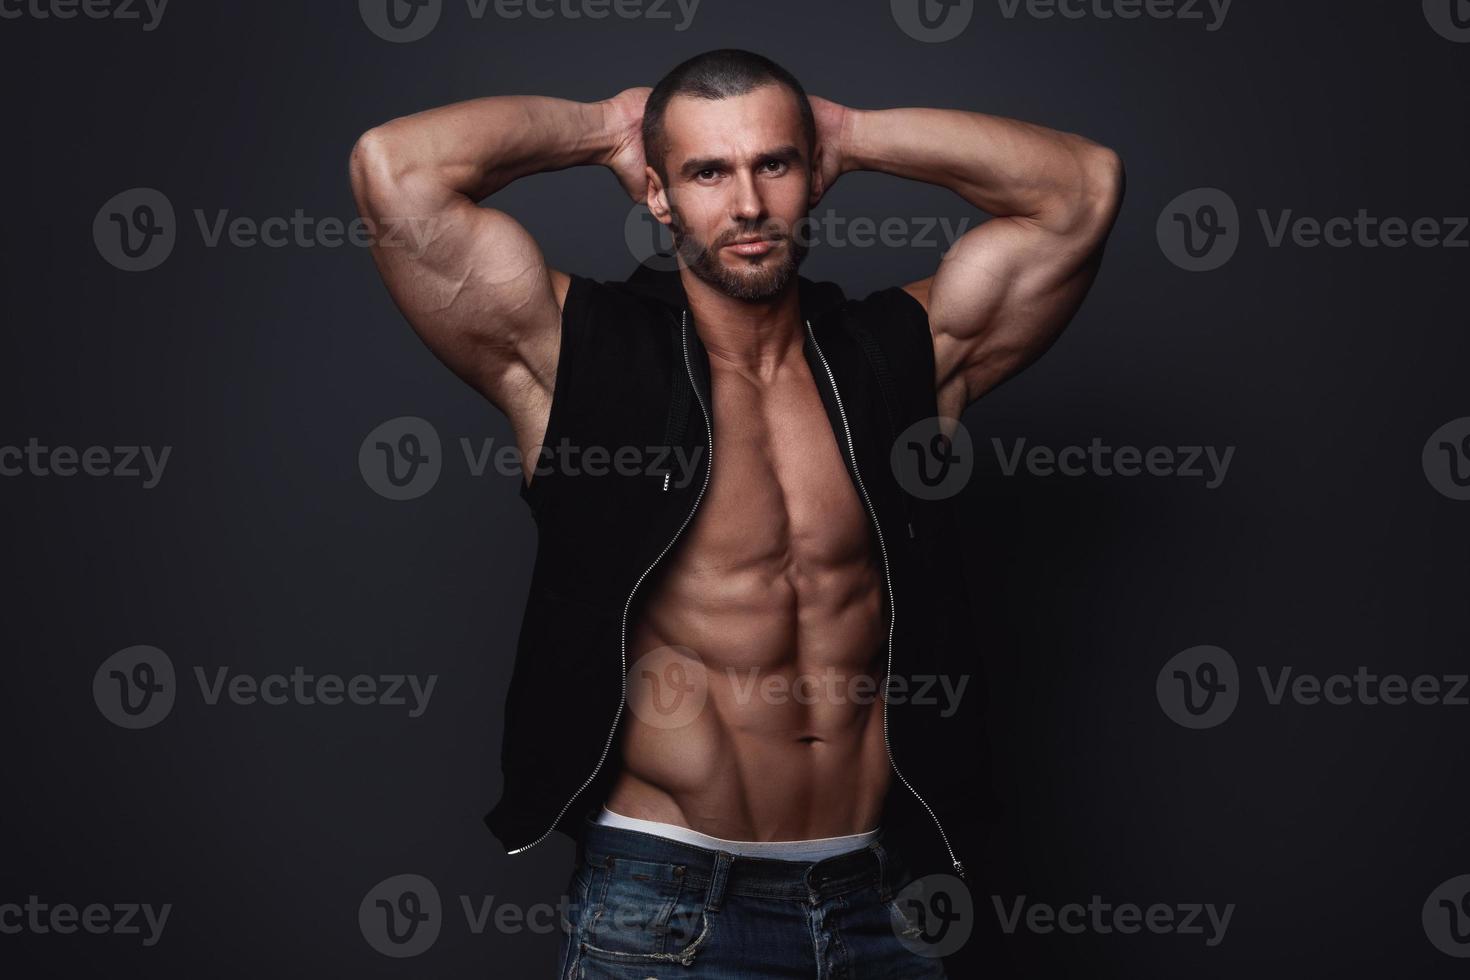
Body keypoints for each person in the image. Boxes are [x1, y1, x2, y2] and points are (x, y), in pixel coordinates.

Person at [350, 47, 1122, 978]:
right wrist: (606, 126)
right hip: (665, 906)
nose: (748, 204)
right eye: (708, 171)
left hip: (881, 902)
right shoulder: (575, 360)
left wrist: (849, 132)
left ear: (812, 178)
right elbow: (394, 169)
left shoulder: (899, 360)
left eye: (776, 164)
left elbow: (1083, 188)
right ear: (657, 192)